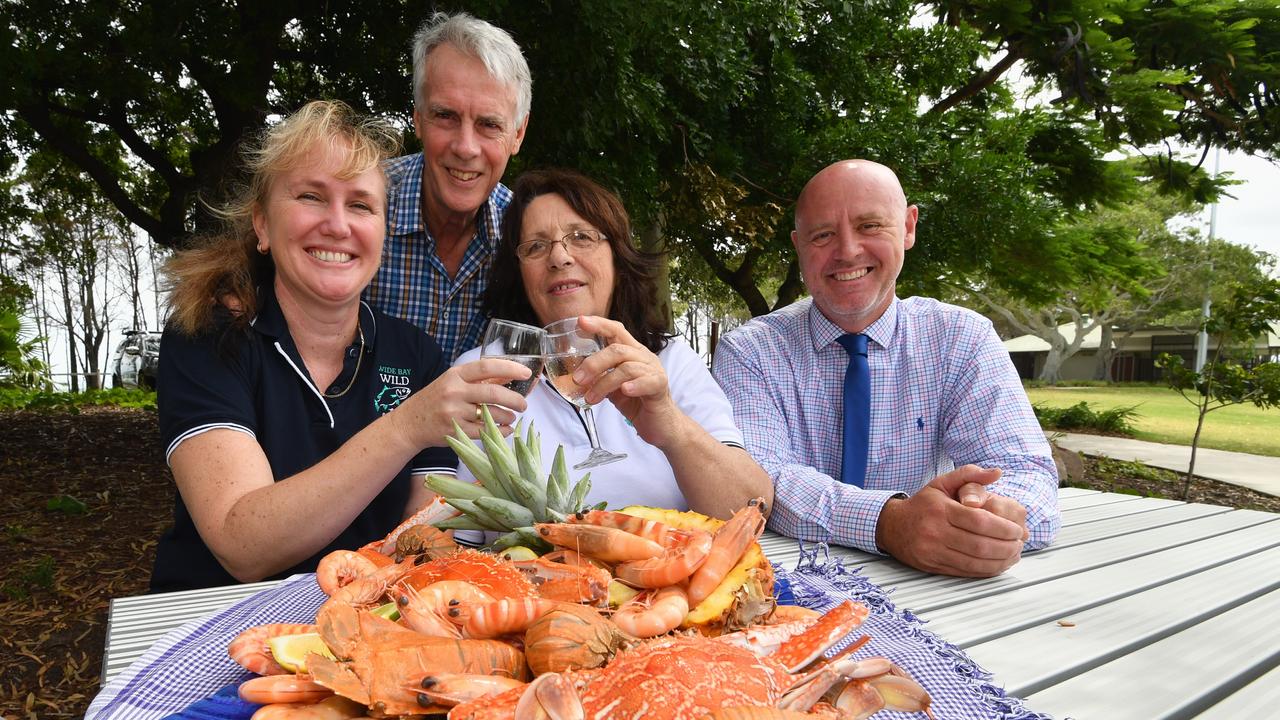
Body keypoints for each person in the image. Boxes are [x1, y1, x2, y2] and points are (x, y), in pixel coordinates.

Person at [152, 100, 531, 592]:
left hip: (366, 618)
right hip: (214, 625)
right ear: (263, 225)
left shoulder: (415, 354)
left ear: (382, 230)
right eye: (311, 196)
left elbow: (428, 529)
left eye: (360, 205)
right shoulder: (208, 335)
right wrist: (405, 428)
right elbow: (241, 545)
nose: (338, 224)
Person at [712, 159, 1059, 577]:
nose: (847, 251)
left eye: (869, 226)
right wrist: (889, 523)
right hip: (782, 581)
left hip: (939, 587)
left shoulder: (962, 339)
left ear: (909, 226)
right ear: (798, 245)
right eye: (822, 235)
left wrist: (985, 516)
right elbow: (758, 487)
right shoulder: (750, 351)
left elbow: (1027, 472)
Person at [454, 169, 772, 519]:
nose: (559, 257)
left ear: (618, 258)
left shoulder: (671, 361)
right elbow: (459, 532)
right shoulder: (483, 373)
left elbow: (750, 509)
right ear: (519, 272)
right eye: (536, 246)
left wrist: (670, 426)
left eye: (581, 237)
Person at [364, 11, 531, 362]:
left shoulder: (529, 239)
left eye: (489, 124)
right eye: (446, 116)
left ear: (517, 134)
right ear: (419, 119)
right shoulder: (357, 204)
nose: (466, 147)